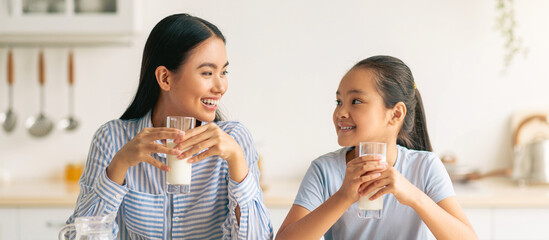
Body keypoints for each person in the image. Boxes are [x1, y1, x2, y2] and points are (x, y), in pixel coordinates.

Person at [66, 13, 273, 240]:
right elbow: (78, 236)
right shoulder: (112, 139)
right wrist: (120, 165)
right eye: (207, 73)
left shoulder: (234, 140)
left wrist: (236, 161)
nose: (221, 86)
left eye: (223, 72)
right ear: (165, 78)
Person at [276, 55, 477, 239]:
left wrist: (415, 197)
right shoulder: (324, 171)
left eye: (355, 101)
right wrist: (343, 197)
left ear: (396, 114)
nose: (340, 112)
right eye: (339, 101)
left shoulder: (425, 167)